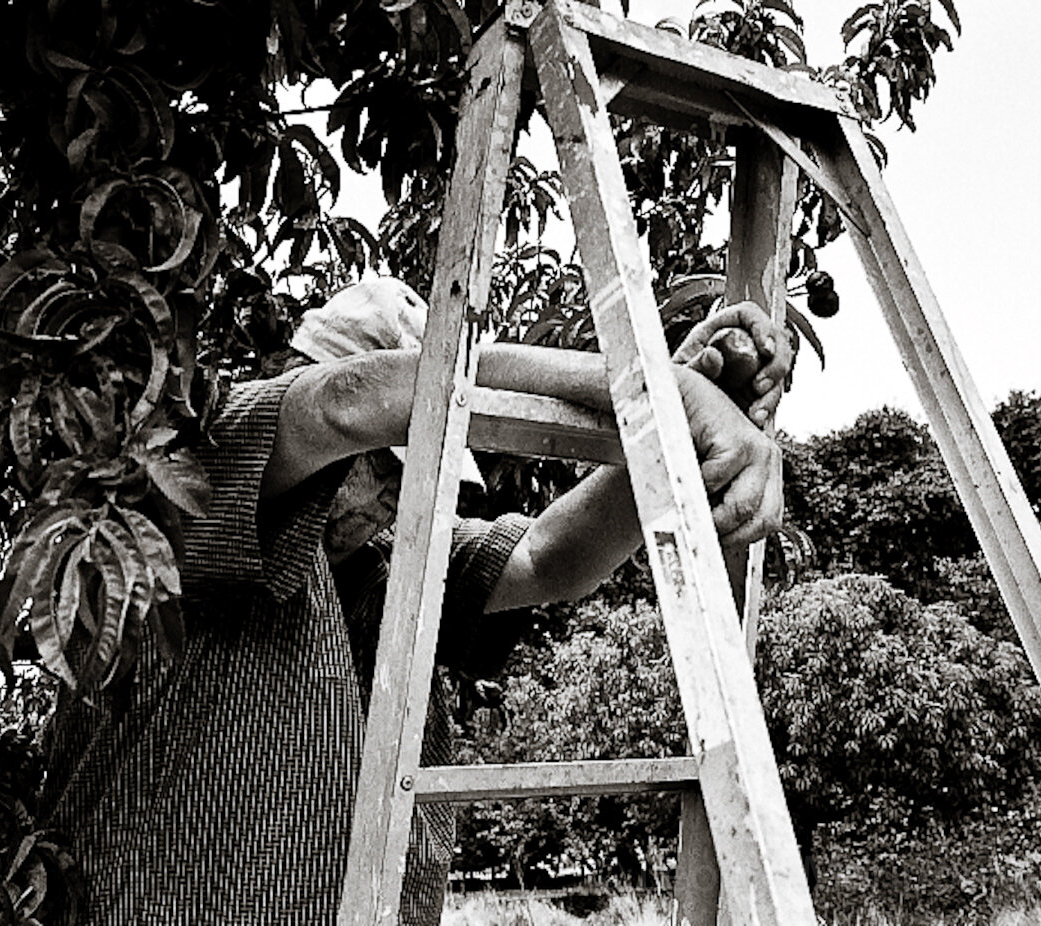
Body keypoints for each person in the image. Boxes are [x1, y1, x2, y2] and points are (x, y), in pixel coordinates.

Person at [40, 276, 793, 925]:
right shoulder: (186, 486)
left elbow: (551, 556)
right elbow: (343, 404)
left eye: (416, 472)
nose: (402, 492)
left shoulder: (384, 575)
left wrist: (670, 426)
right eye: (387, 464)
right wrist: (648, 388)